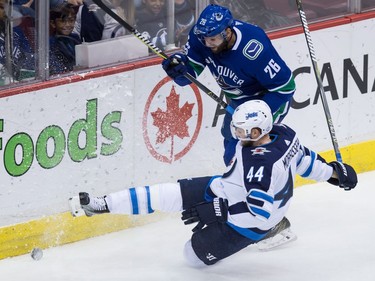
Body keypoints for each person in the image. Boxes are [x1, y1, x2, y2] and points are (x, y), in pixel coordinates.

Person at [70, 99, 357, 266]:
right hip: (224, 188)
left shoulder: (260, 163)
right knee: (167, 193)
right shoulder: (282, 133)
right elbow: (304, 160)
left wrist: (220, 212)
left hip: (250, 224)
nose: (238, 133)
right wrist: (333, 173)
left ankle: (275, 232)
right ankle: (102, 204)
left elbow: (261, 213)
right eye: (237, 127)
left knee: (191, 256)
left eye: (243, 130)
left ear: (260, 129)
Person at [161, 4, 296, 167]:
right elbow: (187, 78)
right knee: (230, 141)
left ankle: (263, 184)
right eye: (204, 38)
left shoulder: (253, 47)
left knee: (246, 148)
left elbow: (286, 88)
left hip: (267, 98)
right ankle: (238, 184)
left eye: (213, 39)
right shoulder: (200, 37)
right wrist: (177, 70)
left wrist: (256, 113)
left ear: (227, 31)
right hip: (240, 101)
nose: (207, 43)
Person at [0, 0, 35, 83]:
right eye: (1, 7)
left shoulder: (15, 32)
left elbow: (30, 60)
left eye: (7, 6)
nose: (6, 10)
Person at [49, 4, 81, 75]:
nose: (68, 24)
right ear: (53, 23)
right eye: (63, 21)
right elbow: (57, 69)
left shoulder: (75, 38)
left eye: (71, 20)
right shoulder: (50, 43)